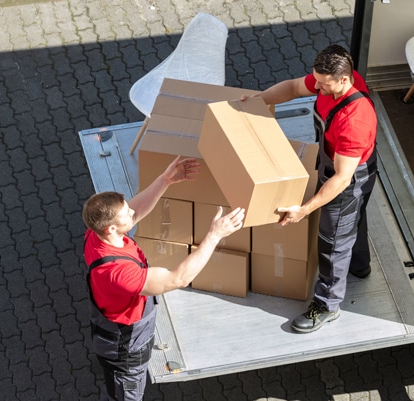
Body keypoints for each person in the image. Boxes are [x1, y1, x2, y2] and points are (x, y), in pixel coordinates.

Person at [81, 156, 245, 400]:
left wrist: (165, 179)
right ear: (111, 229)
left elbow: (135, 213)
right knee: (125, 393)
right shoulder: (119, 273)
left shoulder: (97, 235)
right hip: (125, 348)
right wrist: (214, 235)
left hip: (123, 329)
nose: (132, 212)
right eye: (126, 213)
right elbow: (177, 278)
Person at [243, 44, 377, 333]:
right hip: (346, 165)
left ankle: (327, 305)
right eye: (316, 79)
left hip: (347, 177)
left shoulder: (354, 120)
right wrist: (258, 100)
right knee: (355, 220)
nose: (316, 86)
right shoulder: (331, 80)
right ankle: (360, 265)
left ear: (344, 80)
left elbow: (341, 179)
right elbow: (292, 87)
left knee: (332, 242)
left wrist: (304, 210)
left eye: (322, 84)